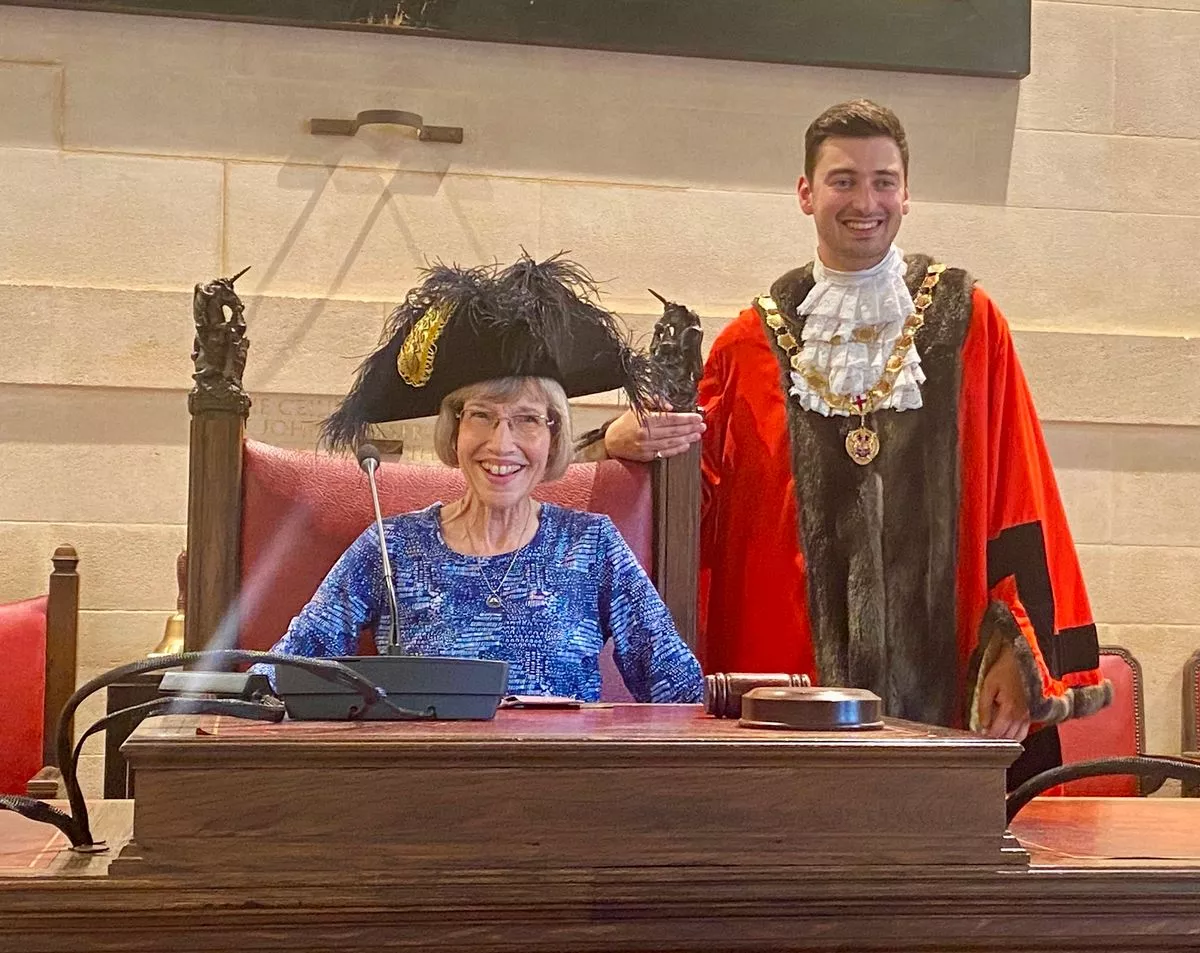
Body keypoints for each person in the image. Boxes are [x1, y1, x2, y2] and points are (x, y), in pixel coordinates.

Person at [594, 100, 1110, 782]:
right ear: (805, 193)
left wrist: (1021, 657)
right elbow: (691, 509)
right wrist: (621, 443)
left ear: (907, 193)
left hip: (948, 677)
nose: (865, 200)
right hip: (790, 692)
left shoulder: (968, 323)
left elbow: (1021, 491)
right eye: (843, 180)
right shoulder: (748, 343)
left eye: (883, 180)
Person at [260, 254, 704, 704]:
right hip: (427, 771)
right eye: (482, 416)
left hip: (563, 772)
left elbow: (681, 693)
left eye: (527, 419)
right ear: (455, 429)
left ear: (554, 435)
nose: (502, 443)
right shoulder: (392, 548)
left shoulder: (592, 546)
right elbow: (285, 673)